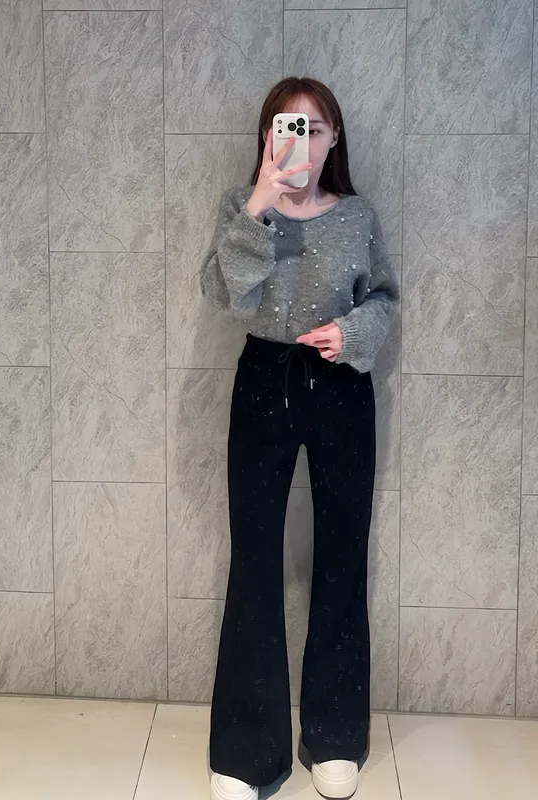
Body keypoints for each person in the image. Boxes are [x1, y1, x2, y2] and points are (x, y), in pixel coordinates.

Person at [200, 76, 400, 800]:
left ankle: (335, 737)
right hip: (263, 379)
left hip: (340, 383)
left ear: (334, 137)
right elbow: (223, 294)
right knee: (254, 558)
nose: (302, 140)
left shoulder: (357, 216)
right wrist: (259, 202)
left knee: (342, 555)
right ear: (267, 137)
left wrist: (352, 333)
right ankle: (246, 755)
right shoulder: (243, 210)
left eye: (314, 128)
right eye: (287, 127)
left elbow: (385, 297)